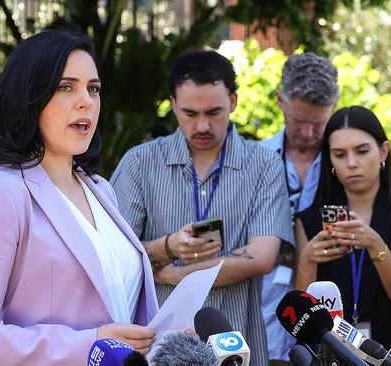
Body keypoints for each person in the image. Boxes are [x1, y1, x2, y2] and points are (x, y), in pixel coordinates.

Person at [0, 31, 159, 365]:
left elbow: (121, 306)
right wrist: (90, 344)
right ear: (31, 97)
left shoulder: (101, 189)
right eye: (65, 87)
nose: (85, 100)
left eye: (93, 88)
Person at [110, 50, 294, 366]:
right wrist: (167, 246)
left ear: (233, 101)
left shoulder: (264, 165)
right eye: (190, 114)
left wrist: (173, 274)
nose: (203, 125)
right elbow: (113, 258)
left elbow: (262, 257)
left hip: (237, 346)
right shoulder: (139, 164)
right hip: (157, 350)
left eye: (214, 112)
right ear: (173, 103)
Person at [294, 106, 391, 365]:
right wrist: (307, 260)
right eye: (339, 154)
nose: (351, 163)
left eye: (362, 151)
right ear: (330, 161)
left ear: (383, 151)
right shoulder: (310, 220)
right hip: (333, 354)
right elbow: (301, 318)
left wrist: (375, 244)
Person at [259, 52, 338, 365]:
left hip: (330, 318)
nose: (307, 132)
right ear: (280, 100)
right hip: (263, 318)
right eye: (298, 121)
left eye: (318, 123)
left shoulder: (347, 161)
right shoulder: (254, 159)